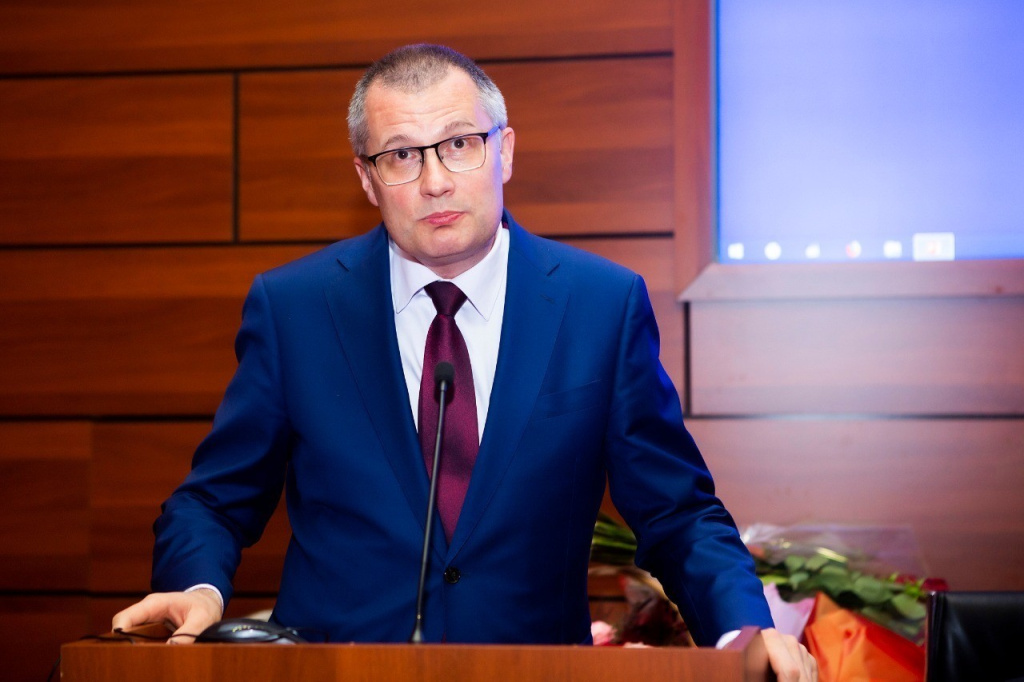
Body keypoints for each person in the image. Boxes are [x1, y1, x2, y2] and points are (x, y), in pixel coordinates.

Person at [114, 44, 816, 681]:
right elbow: (213, 499)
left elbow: (677, 512)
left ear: (503, 151)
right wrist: (197, 587)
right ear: (367, 179)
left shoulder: (600, 304)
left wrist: (742, 632)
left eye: (459, 144)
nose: (435, 181)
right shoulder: (295, 308)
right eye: (401, 155)